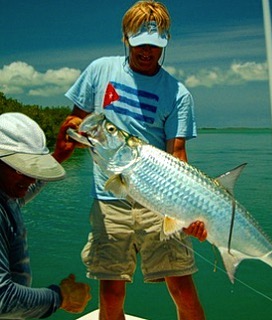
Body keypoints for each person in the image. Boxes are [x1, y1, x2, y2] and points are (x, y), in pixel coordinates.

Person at [54, 1, 207, 319]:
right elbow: (77, 127)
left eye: (155, 44)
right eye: (140, 43)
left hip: (160, 200)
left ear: (165, 42)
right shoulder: (99, 71)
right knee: (111, 292)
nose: (147, 51)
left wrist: (191, 210)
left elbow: (177, 155)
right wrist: (70, 139)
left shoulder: (177, 94)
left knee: (181, 287)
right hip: (110, 199)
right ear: (126, 38)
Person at [0, 112, 91, 319]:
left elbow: (20, 195)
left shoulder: (6, 195)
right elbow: (2, 299)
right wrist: (62, 296)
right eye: (20, 168)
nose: (31, 178)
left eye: (34, 168)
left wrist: (58, 155)